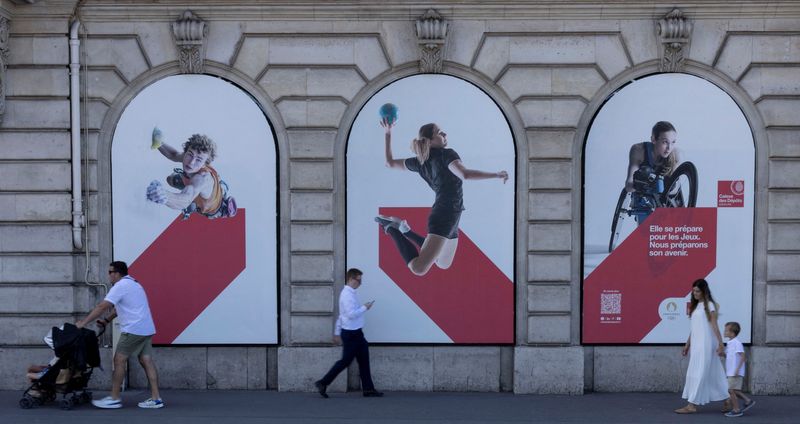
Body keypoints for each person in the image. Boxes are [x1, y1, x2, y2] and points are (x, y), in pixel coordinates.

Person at [376, 120, 508, 276]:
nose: (444, 134)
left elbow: (390, 163)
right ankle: (392, 228)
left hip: (452, 214)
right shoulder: (446, 154)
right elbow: (464, 174)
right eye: (439, 132)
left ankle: (406, 230)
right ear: (429, 141)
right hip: (445, 214)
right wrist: (496, 174)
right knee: (419, 268)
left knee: (443, 264)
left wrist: (388, 133)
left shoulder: (420, 161)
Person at [76, 261, 164, 409]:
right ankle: (156, 398)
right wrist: (106, 321)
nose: (108, 275)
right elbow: (119, 309)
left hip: (133, 329)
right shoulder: (135, 284)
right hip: (146, 328)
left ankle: (114, 398)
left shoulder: (120, 286)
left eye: (110, 272)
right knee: (146, 360)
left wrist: (83, 323)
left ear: (117, 273)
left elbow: (102, 306)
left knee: (119, 360)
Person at [315, 268, 383, 398]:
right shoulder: (347, 295)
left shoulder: (352, 293)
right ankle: (323, 382)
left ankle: (368, 389)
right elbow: (351, 315)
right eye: (358, 279)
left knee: (363, 361)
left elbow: (342, 316)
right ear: (351, 279)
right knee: (345, 362)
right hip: (351, 335)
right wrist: (365, 307)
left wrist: (336, 332)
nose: (360, 282)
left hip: (357, 333)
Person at [146, 129, 236, 219]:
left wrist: (164, 196)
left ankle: (218, 207)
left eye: (199, 160)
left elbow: (186, 199)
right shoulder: (190, 157)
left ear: (205, 164)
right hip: (198, 187)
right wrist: (158, 143)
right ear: (186, 152)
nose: (191, 162)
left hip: (213, 208)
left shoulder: (203, 178)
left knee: (188, 192)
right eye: (190, 154)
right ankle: (191, 192)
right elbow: (173, 155)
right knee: (171, 180)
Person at [675, 278, 728, 414]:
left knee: (700, 372)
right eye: (693, 291)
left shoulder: (709, 305)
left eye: (697, 291)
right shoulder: (696, 306)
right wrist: (687, 345)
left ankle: (691, 405)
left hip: (707, 345)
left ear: (704, 291)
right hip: (697, 345)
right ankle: (727, 399)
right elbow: (694, 328)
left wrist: (721, 344)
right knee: (713, 373)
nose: (694, 293)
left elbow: (715, 326)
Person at [624, 121, 680, 223]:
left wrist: (663, 190)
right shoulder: (638, 150)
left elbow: (675, 189)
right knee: (646, 172)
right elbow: (628, 185)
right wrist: (642, 185)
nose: (669, 148)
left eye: (673, 142)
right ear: (653, 139)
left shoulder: (675, 154)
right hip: (644, 192)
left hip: (665, 194)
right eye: (665, 142)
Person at [721, 321, 755, 417]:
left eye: (726, 331)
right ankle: (748, 401)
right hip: (731, 372)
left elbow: (743, 357)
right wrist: (722, 354)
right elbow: (728, 356)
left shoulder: (737, 343)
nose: (724, 332)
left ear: (732, 333)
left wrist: (737, 369)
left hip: (735, 372)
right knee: (735, 390)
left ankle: (736, 409)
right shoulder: (730, 343)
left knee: (730, 390)